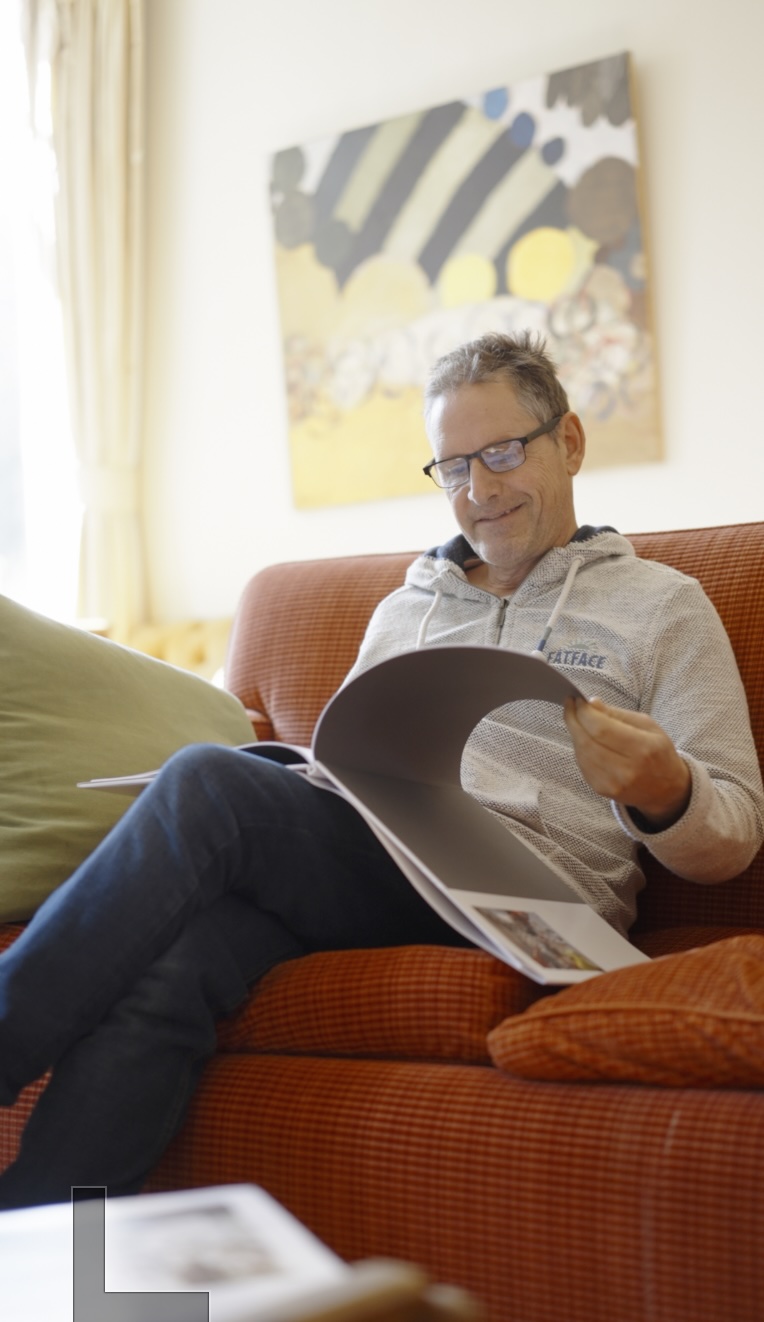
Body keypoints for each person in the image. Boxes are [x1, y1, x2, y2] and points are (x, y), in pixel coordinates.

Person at [0, 331, 761, 1210]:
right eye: (454, 468)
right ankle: (56, 1255)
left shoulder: (664, 607)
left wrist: (665, 792)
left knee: (210, 784)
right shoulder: (407, 608)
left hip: (536, 903)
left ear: (571, 442)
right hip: (392, 869)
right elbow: (354, 764)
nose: (480, 491)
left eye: (504, 453)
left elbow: (735, 833)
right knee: (174, 966)